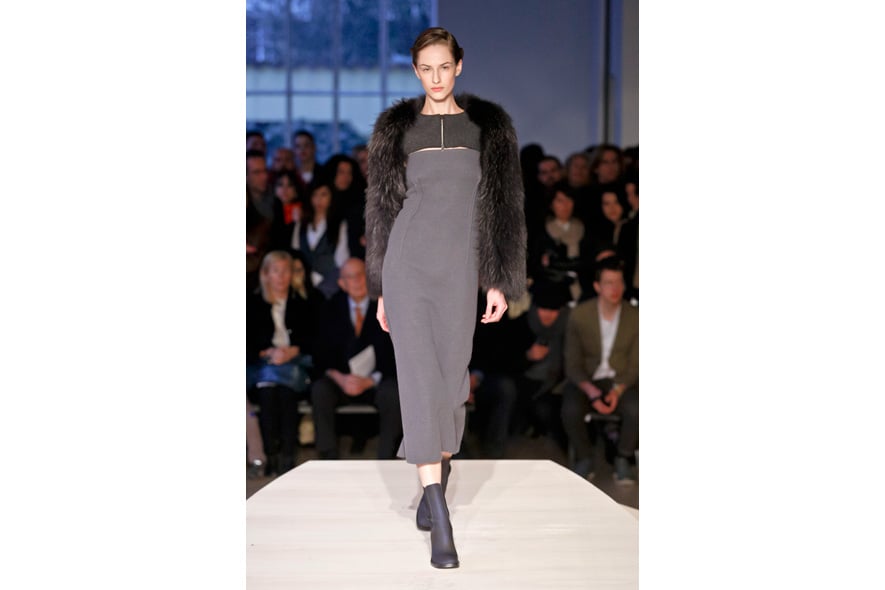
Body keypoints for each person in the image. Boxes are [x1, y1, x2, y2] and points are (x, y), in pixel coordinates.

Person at [365, 27, 526, 569]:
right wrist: (381, 286)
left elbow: (504, 208)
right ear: (415, 71)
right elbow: (383, 211)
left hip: (460, 270)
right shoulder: (396, 130)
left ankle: (439, 466)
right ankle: (440, 515)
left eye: (443, 66)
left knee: (452, 385)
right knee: (416, 383)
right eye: (425, 69)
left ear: (459, 65)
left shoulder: (488, 128)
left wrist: (499, 277)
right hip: (406, 269)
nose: (435, 78)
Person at [310, 258, 402, 460]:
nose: (357, 280)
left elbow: (395, 353)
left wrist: (370, 380)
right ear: (342, 283)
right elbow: (320, 354)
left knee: (393, 392)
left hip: (376, 381)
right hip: (341, 381)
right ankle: (328, 457)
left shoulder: (387, 307)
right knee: (320, 390)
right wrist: (341, 378)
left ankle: (387, 457)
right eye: (350, 277)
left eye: (361, 275)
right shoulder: (329, 308)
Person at [561, 256, 638, 485]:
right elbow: (572, 362)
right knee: (570, 408)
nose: (615, 289)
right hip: (588, 378)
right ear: (597, 286)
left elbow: (636, 364)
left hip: (620, 379)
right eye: (608, 283)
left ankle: (623, 456)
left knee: (637, 408)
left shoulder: (635, 317)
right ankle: (584, 456)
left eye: (619, 282)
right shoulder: (580, 315)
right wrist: (591, 392)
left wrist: (617, 391)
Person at [246, 251, 317, 476]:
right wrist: (266, 352)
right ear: (265, 274)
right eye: (275, 271)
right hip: (261, 366)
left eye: (285, 271)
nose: (281, 276)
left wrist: (293, 350)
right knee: (268, 392)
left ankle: (287, 456)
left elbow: (315, 338)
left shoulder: (303, 301)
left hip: (295, 364)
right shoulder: (252, 302)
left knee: (285, 393)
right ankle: (272, 454)